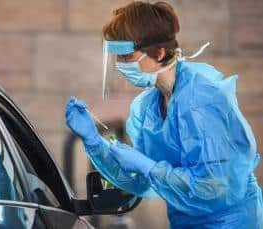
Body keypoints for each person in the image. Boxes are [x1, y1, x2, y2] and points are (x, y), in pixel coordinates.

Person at [65, 1, 263, 228]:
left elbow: (213, 188)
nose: (119, 65)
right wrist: (94, 141)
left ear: (159, 52)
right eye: (116, 57)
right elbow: (139, 183)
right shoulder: (147, 107)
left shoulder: (202, 101)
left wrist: (148, 166)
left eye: (126, 56)